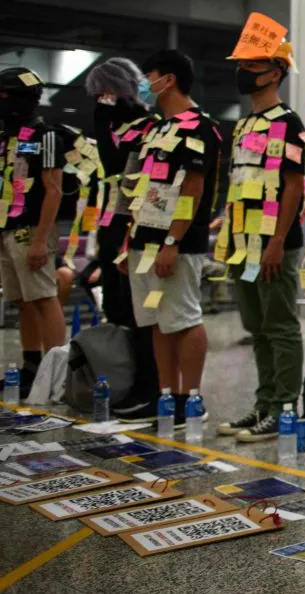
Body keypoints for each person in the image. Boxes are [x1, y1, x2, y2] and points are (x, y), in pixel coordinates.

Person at [114, 50, 222, 428]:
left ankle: (191, 399)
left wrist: (172, 242)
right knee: (158, 321)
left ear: (169, 79)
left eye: (149, 75)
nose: (144, 83)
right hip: (144, 241)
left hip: (177, 244)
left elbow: (193, 188)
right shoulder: (156, 129)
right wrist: (131, 244)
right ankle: (166, 396)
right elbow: (140, 189)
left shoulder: (199, 127)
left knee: (184, 319)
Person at [213, 14, 305, 443]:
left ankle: (285, 407)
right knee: (256, 327)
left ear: (276, 72)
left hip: (275, 244)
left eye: (253, 66)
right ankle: (264, 403)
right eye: (243, 65)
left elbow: (293, 187)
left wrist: (275, 242)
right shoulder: (245, 124)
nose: (245, 73)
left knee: (280, 325)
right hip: (241, 242)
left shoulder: (287, 123)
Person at [83, 59, 162, 415]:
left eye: (106, 95)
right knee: (115, 309)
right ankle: (123, 379)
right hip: (109, 227)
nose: (101, 103)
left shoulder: (149, 128)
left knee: (138, 313)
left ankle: (149, 386)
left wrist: (102, 128)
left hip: (135, 229)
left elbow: (121, 170)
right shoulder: (116, 128)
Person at [0, 68, 76, 396]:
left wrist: (40, 241)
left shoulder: (46, 137)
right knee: (22, 301)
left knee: (44, 297)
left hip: (33, 231)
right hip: (7, 229)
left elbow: (54, 191)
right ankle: (32, 369)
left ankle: (56, 375)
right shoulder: (5, 138)